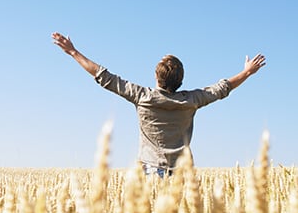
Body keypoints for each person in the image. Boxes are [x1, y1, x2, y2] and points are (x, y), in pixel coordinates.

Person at [52, 32, 266, 177]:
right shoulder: (191, 100)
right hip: (183, 174)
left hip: (150, 171)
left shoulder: (142, 96)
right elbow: (223, 88)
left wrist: (73, 52)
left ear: (156, 76)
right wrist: (247, 71)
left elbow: (103, 76)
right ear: (181, 81)